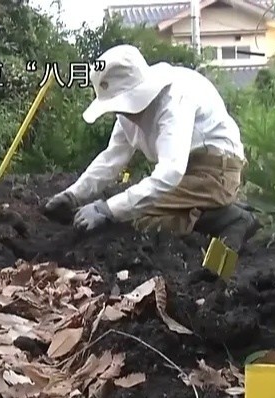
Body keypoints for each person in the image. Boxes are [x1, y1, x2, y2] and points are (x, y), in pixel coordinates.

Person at [43, 44, 259, 252]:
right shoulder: (127, 116)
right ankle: (214, 212)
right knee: (132, 210)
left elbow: (171, 171)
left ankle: (230, 218)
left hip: (216, 169)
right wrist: (73, 195)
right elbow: (111, 158)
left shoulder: (174, 100)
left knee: (133, 217)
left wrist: (107, 210)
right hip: (187, 174)